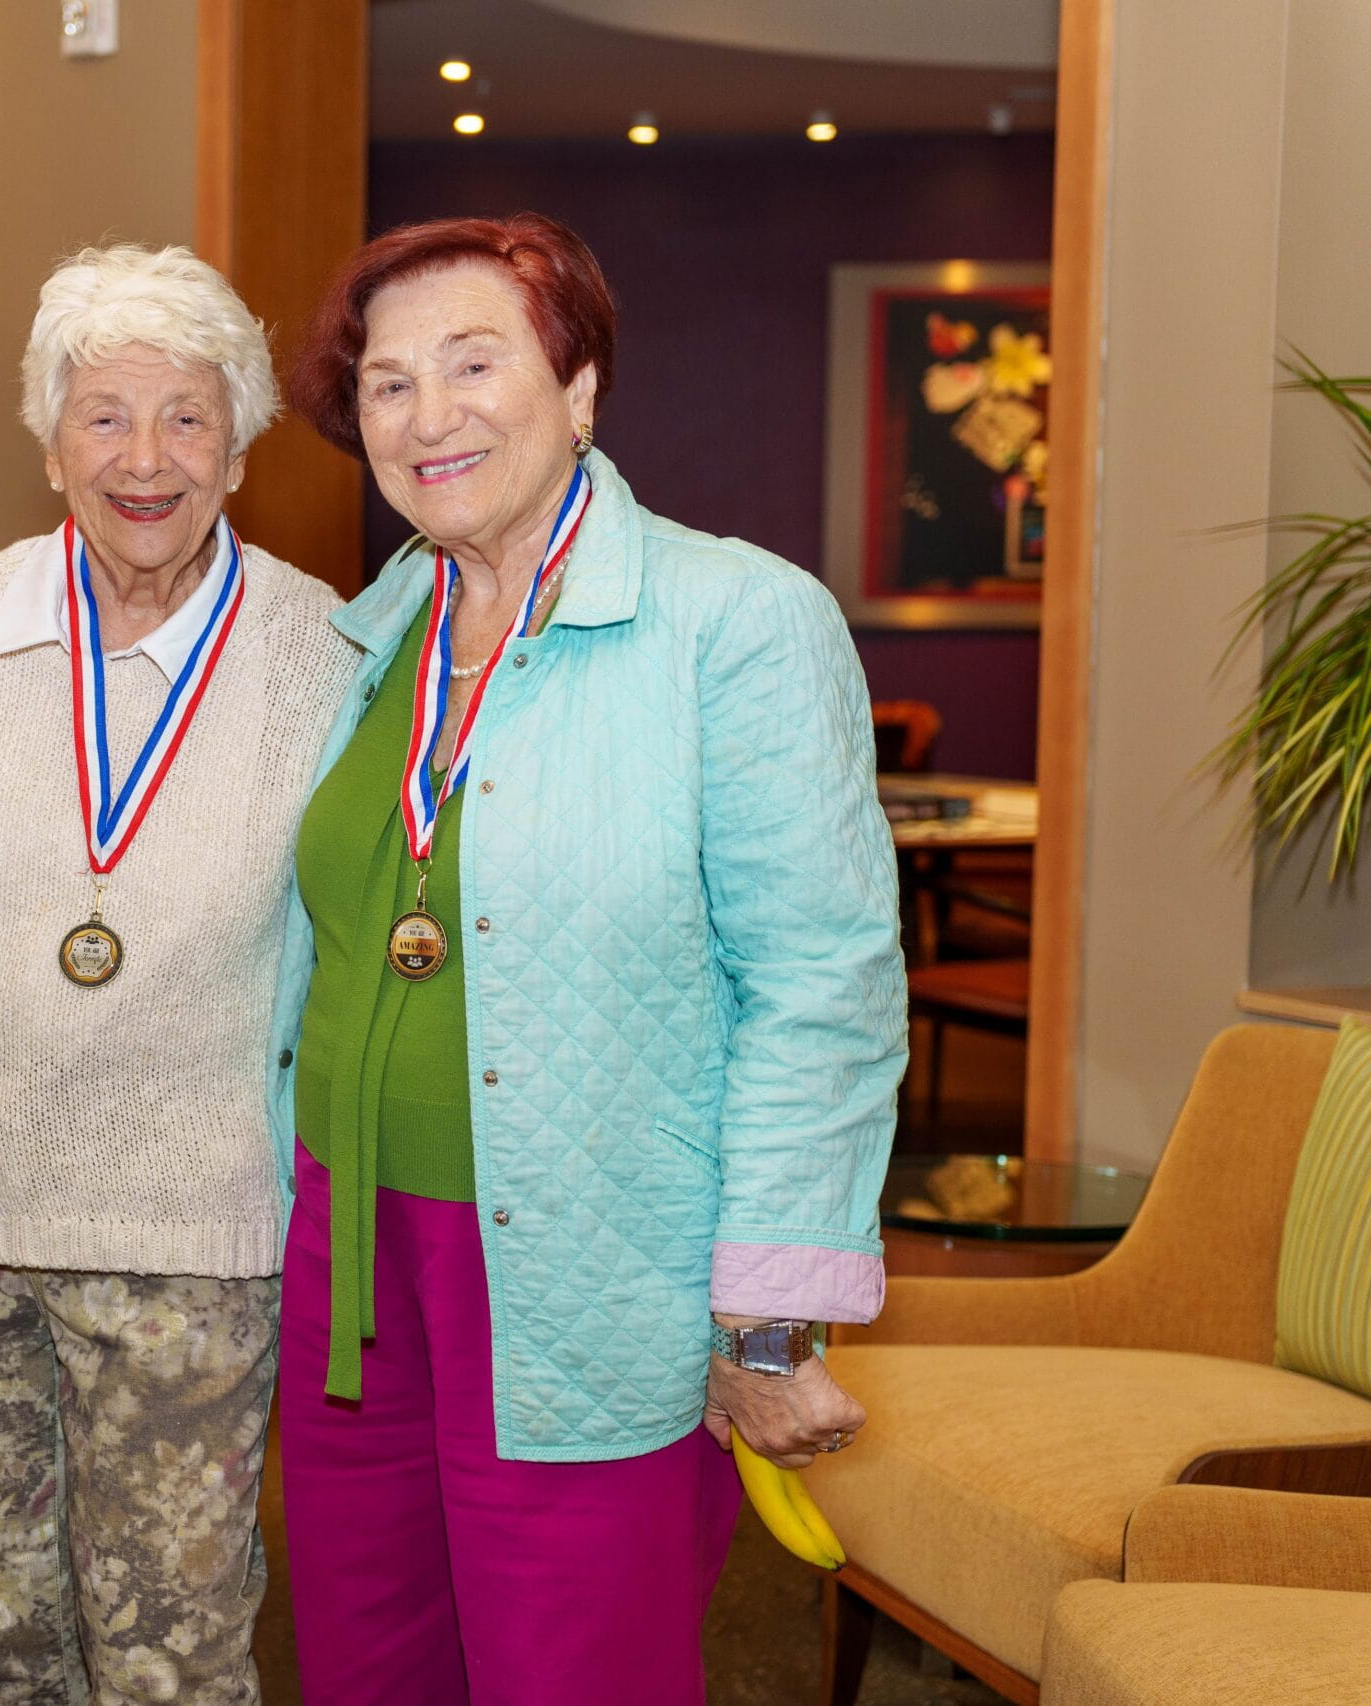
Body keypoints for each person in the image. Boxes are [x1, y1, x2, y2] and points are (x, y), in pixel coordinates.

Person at [268, 213, 907, 1704]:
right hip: (352, 1266)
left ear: (583, 389)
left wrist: (763, 1315)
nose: (430, 415)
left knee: (574, 1670)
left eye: (475, 363)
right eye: (387, 383)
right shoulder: (372, 641)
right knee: (371, 1666)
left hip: (586, 1267)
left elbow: (822, 985)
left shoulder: (734, 621)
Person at [0, 245, 357, 1706]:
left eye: (189, 417)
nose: (145, 459)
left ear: (241, 445)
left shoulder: (322, 642)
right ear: (49, 441)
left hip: (189, 1231)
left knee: (174, 1644)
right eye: (103, 415)